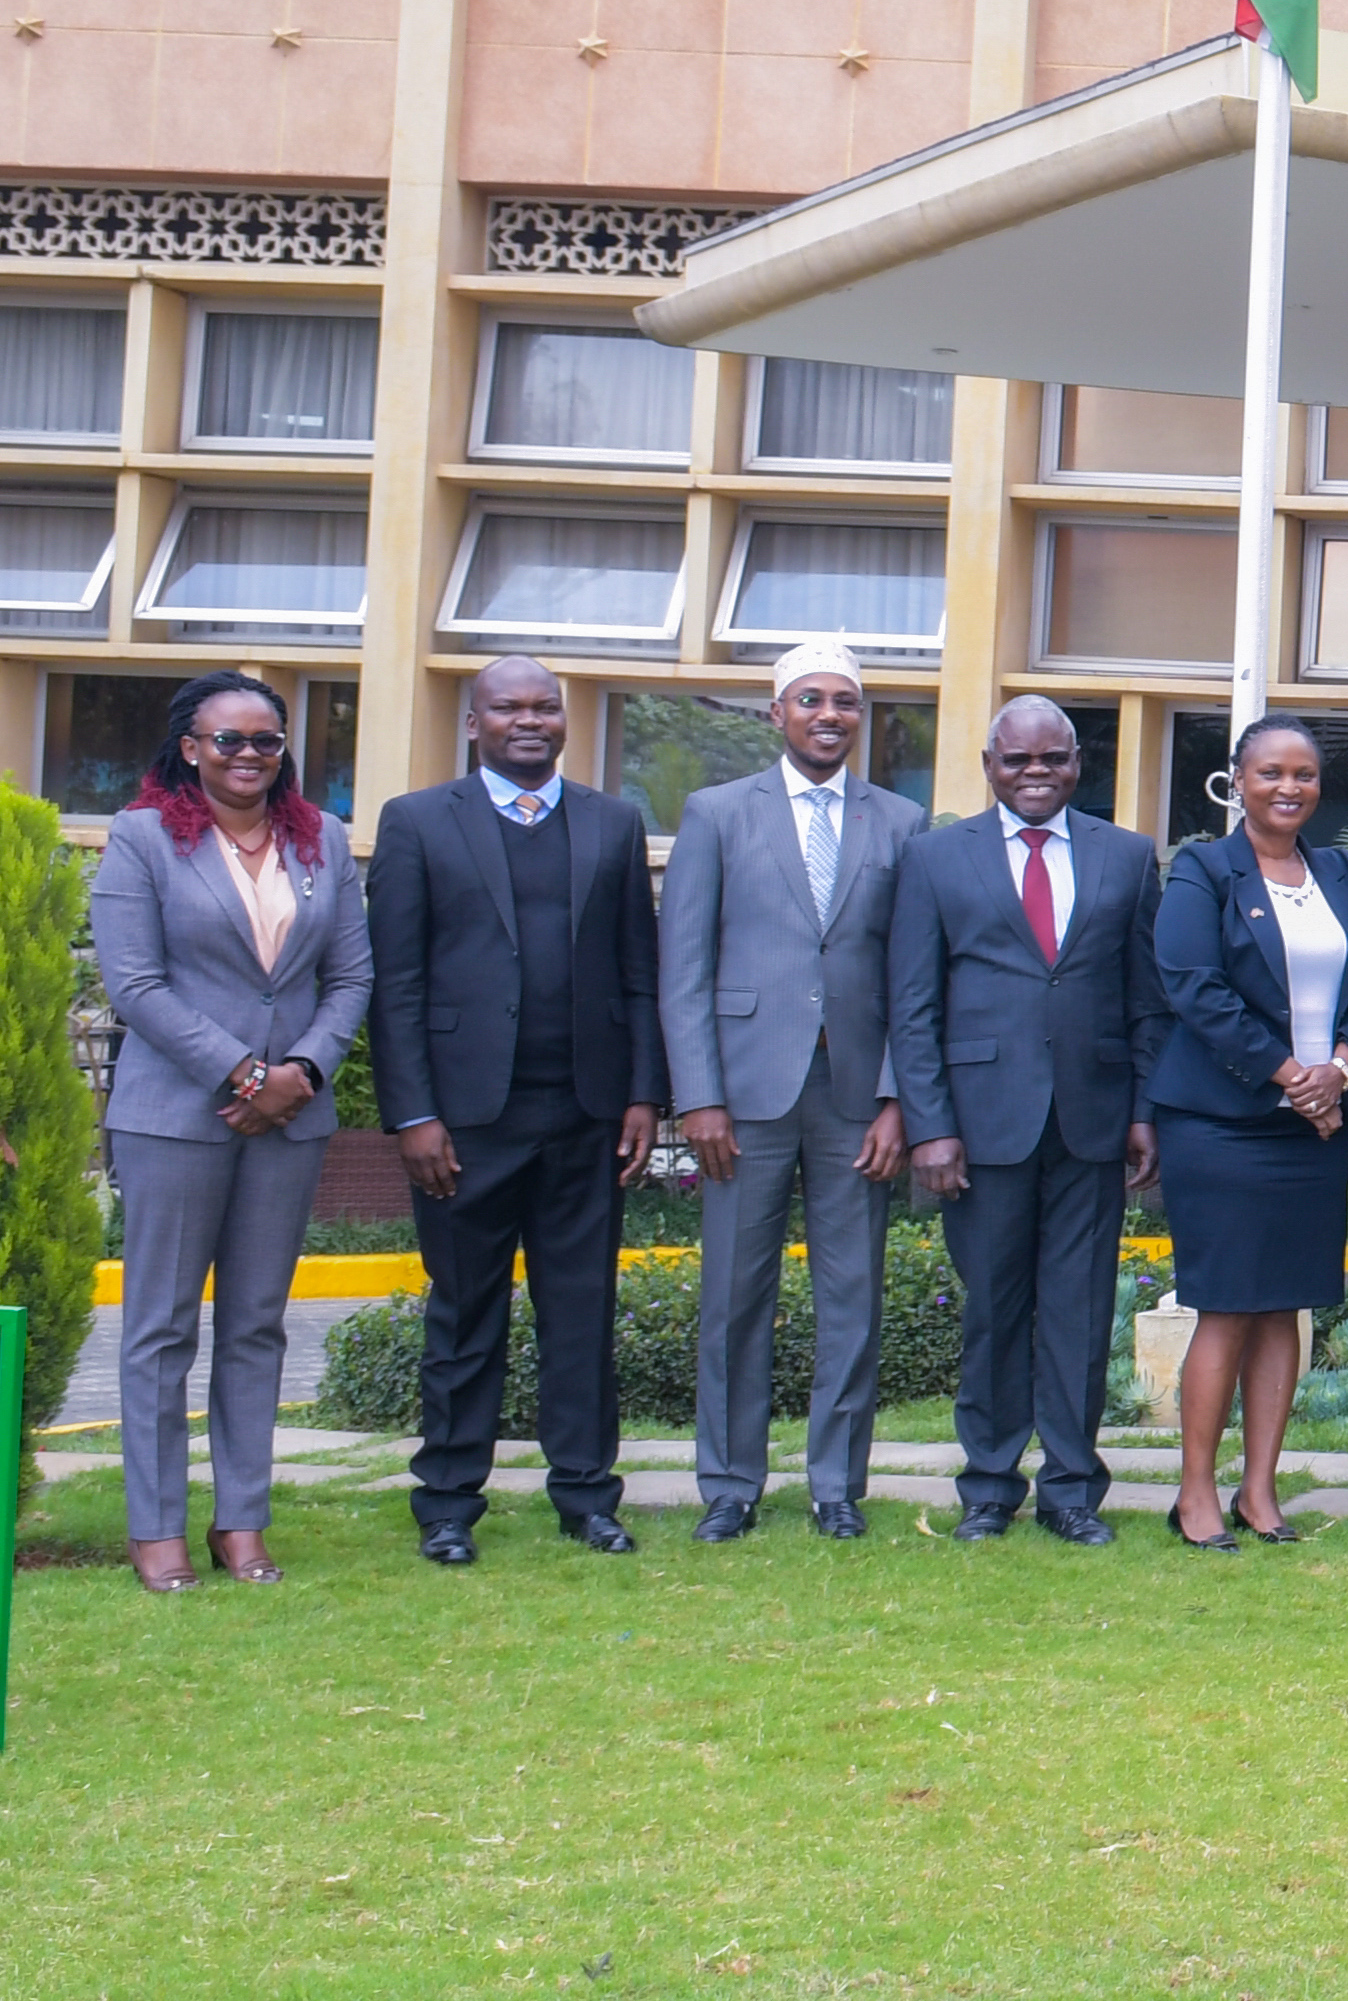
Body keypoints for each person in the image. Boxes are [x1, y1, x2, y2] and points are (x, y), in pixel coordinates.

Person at [367, 658, 663, 1565]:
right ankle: (449, 1503)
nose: (528, 721)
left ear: (565, 722)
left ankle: (586, 1496)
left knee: (582, 1313)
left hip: (585, 1115)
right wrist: (413, 1115)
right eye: (508, 707)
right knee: (464, 1314)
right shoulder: (417, 822)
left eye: (544, 707)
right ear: (473, 722)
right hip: (463, 1124)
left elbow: (638, 976)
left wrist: (645, 1095)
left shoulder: (612, 823)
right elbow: (398, 985)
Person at [86, 672, 368, 1592]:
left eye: (267, 742)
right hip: (175, 1115)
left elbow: (351, 978)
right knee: (160, 1328)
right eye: (229, 741)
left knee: (256, 1326)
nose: (249, 756)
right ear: (190, 748)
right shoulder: (141, 839)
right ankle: (155, 1526)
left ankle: (241, 1521)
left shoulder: (322, 839)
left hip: (290, 1120)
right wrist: (245, 1071)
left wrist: (300, 1075)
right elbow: (134, 984)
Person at [657, 641, 920, 1543]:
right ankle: (730, 1483)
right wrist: (698, 1097)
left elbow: (911, 976)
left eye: (845, 701)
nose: (829, 715)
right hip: (744, 1096)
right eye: (810, 700)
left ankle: (837, 1485)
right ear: (777, 714)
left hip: (856, 1098)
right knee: (734, 1296)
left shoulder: (901, 820)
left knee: (853, 1297)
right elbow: (682, 967)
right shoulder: (717, 813)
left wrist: (897, 1100)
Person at [889, 697, 1161, 1548]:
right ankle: (989, 1487)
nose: (1035, 774)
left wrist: (1145, 1113)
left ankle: (1073, 1490)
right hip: (982, 1125)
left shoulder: (1126, 856)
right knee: (995, 1312)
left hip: (1093, 1121)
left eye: (1053, 759)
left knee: (1080, 1316)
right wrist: (930, 1126)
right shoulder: (935, 859)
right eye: (1018, 761)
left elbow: (1146, 1001)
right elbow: (913, 1002)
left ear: (1079, 763)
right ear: (988, 765)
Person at [1150, 717, 1348, 1552]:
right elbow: (1193, 989)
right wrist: (1292, 1077)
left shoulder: (1340, 874)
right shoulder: (1203, 871)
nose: (1291, 788)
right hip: (1223, 1123)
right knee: (1228, 1307)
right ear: (1235, 781)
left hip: (1315, 1128)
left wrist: (1340, 1071)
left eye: (1307, 774)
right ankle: (1196, 1493)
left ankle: (1260, 1491)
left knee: (1285, 1306)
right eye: (1272, 772)